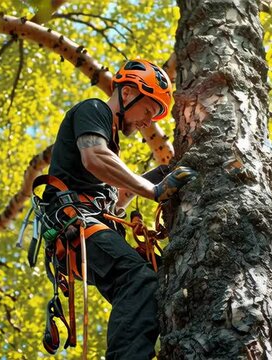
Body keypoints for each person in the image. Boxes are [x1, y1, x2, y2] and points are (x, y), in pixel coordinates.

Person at [43, 59, 196, 359]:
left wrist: (168, 172)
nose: (146, 122)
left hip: (88, 225)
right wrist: (153, 190)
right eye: (148, 110)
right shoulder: (94, 110)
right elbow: (94, 158)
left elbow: (117, 196)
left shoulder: (111, 140)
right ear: (127, 93)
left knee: (156, 283)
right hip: (76, 224)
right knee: (139, 280)